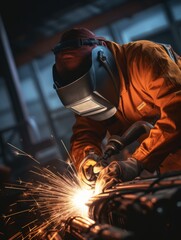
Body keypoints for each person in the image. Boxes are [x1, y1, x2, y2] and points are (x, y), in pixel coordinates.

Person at [52, 27, 181, 192]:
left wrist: (138, 161)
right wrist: (87, 159)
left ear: (103, 53)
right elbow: (84, 134)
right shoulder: (88, 96)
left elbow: (177, 111)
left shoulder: (143, 57)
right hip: (171, 171)